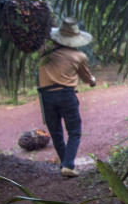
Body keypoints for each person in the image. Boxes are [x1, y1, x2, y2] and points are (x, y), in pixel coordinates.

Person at [38, 17, 96, 177]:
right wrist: (93, 81)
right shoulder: (78, 56)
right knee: (74, 131)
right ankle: (68, 165)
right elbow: (87, 78)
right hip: (66, 95)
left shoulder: (44, 50)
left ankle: (65, 163)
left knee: (55, 132)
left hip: (46, 96)